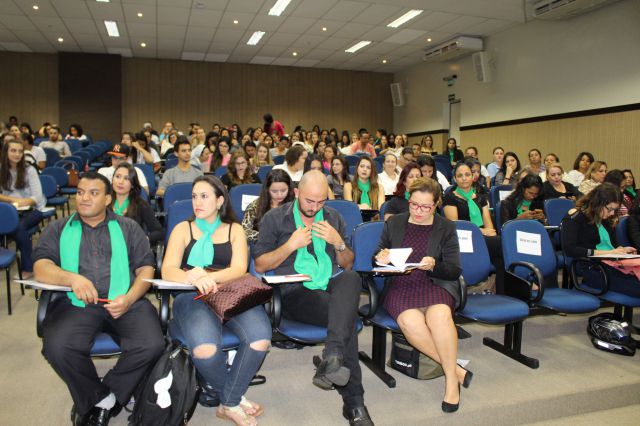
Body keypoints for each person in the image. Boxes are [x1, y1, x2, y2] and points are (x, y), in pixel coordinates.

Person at [33, 172, 164, 426]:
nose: (84, 198)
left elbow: (146, 269)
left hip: (126, 301)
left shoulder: (128, 227)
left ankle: (105, 396)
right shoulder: (59, 228)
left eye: (93, 193)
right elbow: (41, 267)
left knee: (151, 344)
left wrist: (130, 298)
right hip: (77, 303)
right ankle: (102, 399)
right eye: (80, 192)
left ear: (107, 199)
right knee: (57, 347)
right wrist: (72, 279)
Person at [254, 170, 374, 426]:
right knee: (344, 321)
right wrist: (290, 245)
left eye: (321, 202)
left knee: (351, 278)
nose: (315, 207)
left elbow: (348, 263)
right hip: (294, 290)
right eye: (309, 201)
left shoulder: (333, 217)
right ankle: (355, 403)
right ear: (296, 192)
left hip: (330, 281)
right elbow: (261, 265)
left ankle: (332, 354)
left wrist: (338, 243)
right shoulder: (275, 218)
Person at [162, 175, 271, 426]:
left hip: (230, 292)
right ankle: (233, 399)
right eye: (194, 196)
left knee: (260, 339)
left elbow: (239, 269)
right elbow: (167, 269)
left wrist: (208, 277)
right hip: (191, 294)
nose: (197, 202)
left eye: (204, 196)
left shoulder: (234, 229)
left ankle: (228, 402)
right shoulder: (183, 229)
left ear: (220, 200)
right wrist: (192, 277)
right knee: (205, 349)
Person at [374, 177, 470, 413]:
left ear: (436, 204)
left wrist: (435, 264)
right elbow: (377, 255)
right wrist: (380, 257)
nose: (418, 211)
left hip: (434, 284)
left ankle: (451, 382)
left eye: (425, 207)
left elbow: (454, 269)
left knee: (440, 317)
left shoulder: (446, 227)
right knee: (410, 322)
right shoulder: (394, 222)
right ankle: (455, 370)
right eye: (414, 204)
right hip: (400, 286)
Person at [562, 183, 639, 298]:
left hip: (612, 265)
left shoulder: (604, 218)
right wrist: (608, 252)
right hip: (592, 267)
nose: (612, 213)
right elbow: (570, 249)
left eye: (615, 210)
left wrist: (622, 250)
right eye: (610, 209)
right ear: (598, 203)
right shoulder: (575, 216)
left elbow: (611, 247)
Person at [443, 160, 504, 293]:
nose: (464, 178)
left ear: (472, 176)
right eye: (460, 176)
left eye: (467, 174)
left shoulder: (481, 197)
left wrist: (488, 232)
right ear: (455, 179)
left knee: (501, 244)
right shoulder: (449, 197)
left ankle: (501, 288)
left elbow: (489, 225)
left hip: (482, 236)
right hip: (461, 237)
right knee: (499, 244)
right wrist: (480, 231)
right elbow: (455, 225)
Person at [0, 138, 46, 279]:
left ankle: (28, 267)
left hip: (33, 210)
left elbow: (37, 197)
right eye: (13, 150)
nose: (17, 154)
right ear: (6, 152)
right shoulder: (1, 169)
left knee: (18, 228)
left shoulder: (29, 170)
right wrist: (14, 201)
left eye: (20, 151)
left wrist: (22, 202)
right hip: (10, 211)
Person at [110, 163, 163, 245]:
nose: (120, 182)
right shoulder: (103, 202)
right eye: (118, 176)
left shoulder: (141, 205)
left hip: (131, 248)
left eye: (126, 178)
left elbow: (159, 232)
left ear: (132, 184)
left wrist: (144, 239)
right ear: (112, 179)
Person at [242, 169, 294, 243]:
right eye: (274, 191)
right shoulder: (256, 205)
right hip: (264, 244)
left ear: (289, 188)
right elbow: (245, 231)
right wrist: (265, 236)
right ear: (267, 189)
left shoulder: (295, 204)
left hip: (290, 243)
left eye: (283, 190)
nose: (279, 195)